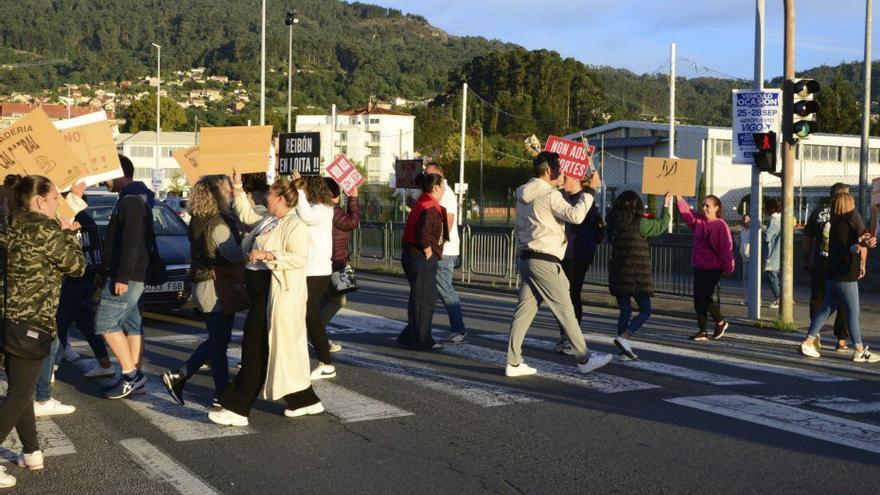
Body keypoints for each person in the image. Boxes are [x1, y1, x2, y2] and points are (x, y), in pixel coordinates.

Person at [209, 176, 324, 426]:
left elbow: (299, 257)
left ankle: (237, 408)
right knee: (275, 351)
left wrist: (268, 254)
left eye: (270, 194)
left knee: (255, 349)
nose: (265, 197)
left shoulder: (296, 224)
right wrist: (237, 187)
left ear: (280, 199)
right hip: (261, 295)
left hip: (275, 296)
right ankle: (304, 400)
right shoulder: (269, 219)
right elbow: (246, 214)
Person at [0, 175, 85, 487]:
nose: (56, 205)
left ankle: (32, 451)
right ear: (39, 201)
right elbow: (77, 267)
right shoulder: (47, 230)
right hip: (32, 320)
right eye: (54, 199)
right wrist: (69, 235)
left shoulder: (7, 224)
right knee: (21, 393)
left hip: (6, 319)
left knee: (19, 389)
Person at [506, 152, 609, 377]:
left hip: (526, 258)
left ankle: (513, 362)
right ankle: (584, 358)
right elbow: (576, 215)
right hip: (546, 260)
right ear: (548, 171)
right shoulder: (549, 195)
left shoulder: (523, 193)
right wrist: (590, 190)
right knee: (566, 310)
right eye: (558, 168)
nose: (561, 172)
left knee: (524, 312)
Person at [162, 176, 244, 406]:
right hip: (215, 287)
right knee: (219, 343)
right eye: (227, 190)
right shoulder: (217, 224)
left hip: (204, 284)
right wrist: (247, 241)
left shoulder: (198, 219)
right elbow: (234, 255)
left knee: (218, 340)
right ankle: (220, 392)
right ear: (216, 195)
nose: (230, 194)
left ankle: (181, 377)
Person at [34, 203, 111, 418]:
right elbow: (97, 251)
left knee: (59, 325)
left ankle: (50, 371)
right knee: (84, 321)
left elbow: (66, 257)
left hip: (74, 281)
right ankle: (104, 363)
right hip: (88, 279)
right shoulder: (88, 219)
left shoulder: (68, 221)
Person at [96, 154, 154, 399]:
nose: (103, 181)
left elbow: (132, 242)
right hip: (131, 274)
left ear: (118, 173)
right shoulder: (135, 197)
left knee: (106, 324)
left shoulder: (130, 201)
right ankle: (134, 376)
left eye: (106, 175)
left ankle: (131, 376)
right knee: (132, 326)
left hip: (127, 275)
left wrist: (122, 276)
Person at [799, 192, 878, 362]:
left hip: (832, 272)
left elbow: (847, 243)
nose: (854, 205)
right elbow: (845, 248)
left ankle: (808, 341)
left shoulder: (835, 222)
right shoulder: (845, 223)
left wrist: (861, 242)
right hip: (845, 275)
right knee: (852, 311)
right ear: (847, 204)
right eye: (852, 202)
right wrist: (858, 246)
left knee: (828, 307)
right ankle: (859, 350)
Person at [607, 191, 672, 361]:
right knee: (645, 310)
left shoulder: (612, 221)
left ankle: (623, 351)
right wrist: (666, 205)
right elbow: (661, 225)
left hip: (618, 273)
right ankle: (625, 336)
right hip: (637, 275)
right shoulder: (639, 222)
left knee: (625, 310)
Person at [291, 174, 337, 379]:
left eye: (306, 188)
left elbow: (307, 217)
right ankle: (322, 359)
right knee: (308, 314)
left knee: (310, 314)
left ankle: (325, 361)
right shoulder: (315, 207)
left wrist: (299, 191)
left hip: (317, 270)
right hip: (310, 268)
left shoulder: (323, 209)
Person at [397, 173, 449, 351]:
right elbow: (423, 232)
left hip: (412, 254)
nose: (444, 190)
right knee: (424, 300)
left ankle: (410, 335)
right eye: (443, 187)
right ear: (435, 187)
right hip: (420, 256)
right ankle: (421, 340)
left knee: (420, 297)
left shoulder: (423, 201)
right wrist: (428, 250)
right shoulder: (430, 207)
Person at [555, 181, 604, 356]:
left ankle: (570, 338)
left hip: (578, 253)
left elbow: (595, 229)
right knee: (561, 295)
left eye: (566, 176)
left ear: (577, 180)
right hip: (562, 252)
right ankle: (566, 335)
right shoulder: (561, 196)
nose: (562, 180)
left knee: (572, 293)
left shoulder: (585, 200)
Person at [676, 195, 734, 341]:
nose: (704, 208)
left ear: (716, 207)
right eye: (703, 205)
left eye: (708, 205)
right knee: (698, 299)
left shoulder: (721, 225)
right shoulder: (699, 221)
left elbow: (726, 248)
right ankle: (702, 331)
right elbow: (688, 214)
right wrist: (679, 198)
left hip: (713, 267)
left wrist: (728, 267)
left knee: (704, 296)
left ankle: (720, 322)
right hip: (699, 265)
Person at [802, 183, 851, 352]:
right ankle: (841, 340)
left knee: (817, 298)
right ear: (842, 196)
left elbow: (807, 239)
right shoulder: (849, 212)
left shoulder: (818, 212)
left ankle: (815, 335)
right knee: (844, 300)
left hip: (820, 263)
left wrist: (806, 259)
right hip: (842, 265)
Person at [423, 163, 468, 344]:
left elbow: (447, 221)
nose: (426, 176)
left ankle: (459, 329)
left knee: (444, 289)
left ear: (440, 175)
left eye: (430, 173)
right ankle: (420, 328)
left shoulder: (446, 193)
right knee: (431, 290)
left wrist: (437, 246)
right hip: (441, 249)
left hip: (445, 250)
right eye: (425, 173)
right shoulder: (435, 192)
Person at [319, 178, 360, 336]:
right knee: (338, 301)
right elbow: (351, 223)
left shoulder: (320, 208)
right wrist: (353, 198)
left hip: (332, 259)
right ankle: (316, 333)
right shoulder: (333, 210)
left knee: (324, 299)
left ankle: (316, 334)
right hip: (338, 261)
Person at [764, 198, 782, 310]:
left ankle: (779, 298)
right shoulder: (781, 218)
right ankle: (783, 297)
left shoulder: (774, 220)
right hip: (781, 251)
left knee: (772, 275)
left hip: (773, 252)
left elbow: (767, 236)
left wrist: (762, 231)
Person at [738, 213, 753, 306]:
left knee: (752, 279)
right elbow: (742, 242)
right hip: (744, 257)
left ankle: (756, 299)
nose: (745, 221)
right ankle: (747, 299)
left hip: (751, 258)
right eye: (744, 219)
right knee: (745, 279)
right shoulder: (743, 231)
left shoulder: (752, 231)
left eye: (747, 219)